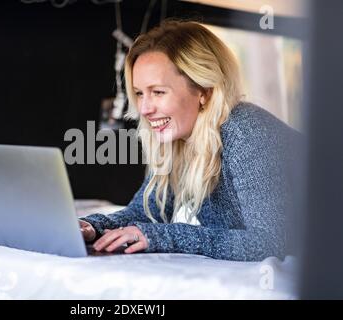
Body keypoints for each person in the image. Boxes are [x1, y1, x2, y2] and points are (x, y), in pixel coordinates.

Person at [79, 20, 298, 261]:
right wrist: (91, 227)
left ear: (205, 91)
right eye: (140, 93)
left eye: (158, 92)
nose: (144, 108)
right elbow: (144, 214)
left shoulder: (246, 131)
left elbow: (269, 243)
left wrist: (163, 237)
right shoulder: (178, 140)